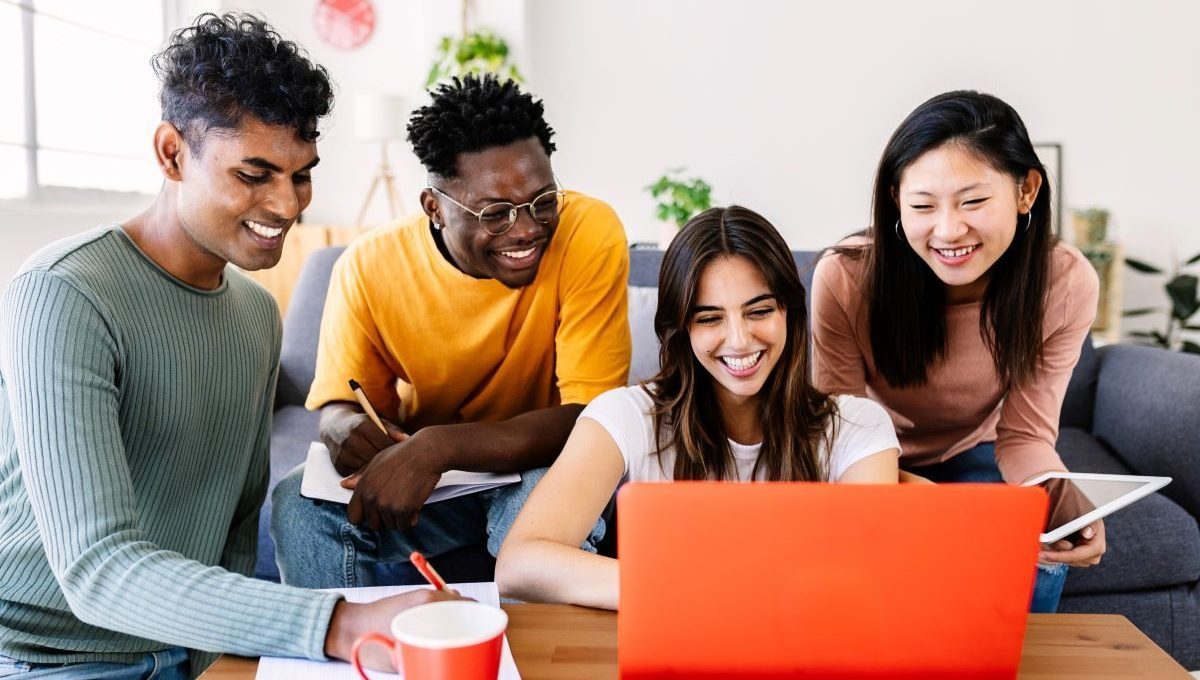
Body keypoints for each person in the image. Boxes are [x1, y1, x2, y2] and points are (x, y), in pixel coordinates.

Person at [0, 14, 458, 679]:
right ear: (171, 153)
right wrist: (340, 622)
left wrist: (215, 661)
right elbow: (95, 567)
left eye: (301, 175)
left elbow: (238, 527)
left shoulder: (253, 312)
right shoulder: (64, 292)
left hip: (187, 654)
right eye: (255, 173)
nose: (287, 203)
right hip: (47, 658)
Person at [270, 74, 631, 588]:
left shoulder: (588, 231)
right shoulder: (368, 267)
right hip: (431, 486)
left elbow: (592, 420)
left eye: (543, 201)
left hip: (540, 459)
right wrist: (344, 431)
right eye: (496, 213)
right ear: (434, 208)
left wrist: (438, 447)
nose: (527, 229)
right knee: (297, 504)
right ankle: (340, 654)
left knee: (535, 514)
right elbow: (340, 406)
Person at [495, 206, 900, 609]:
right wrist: (695, 589)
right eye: (710, 319)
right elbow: (520, 563)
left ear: (790, 314)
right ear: (681, 328)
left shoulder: (856, 425)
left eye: (759, 311)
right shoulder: (626, 416)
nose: (740, 340)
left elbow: (870, 568)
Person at [809, 90, 1104, 614]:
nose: (948, 230)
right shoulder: (847, 277)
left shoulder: (1064, 280)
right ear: (896, 199)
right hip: (871, 458)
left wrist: (1065, 503)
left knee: (1039, 544)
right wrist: (925, 498)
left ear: (1026, 190)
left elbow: (1026, 435)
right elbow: (840, 432)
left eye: (972, 202)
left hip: (980, 453)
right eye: (922, 206)